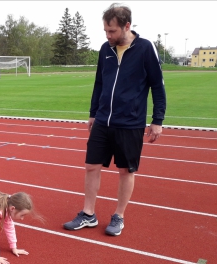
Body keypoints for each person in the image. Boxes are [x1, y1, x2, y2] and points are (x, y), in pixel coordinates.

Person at [63, 3, 166, 236]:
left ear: (126, 26)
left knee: (126, 171)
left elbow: (157, 87)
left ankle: (118, 216)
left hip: (130, 122)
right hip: (102, 120)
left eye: (112, 31)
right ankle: (88, 214)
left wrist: (157, 120)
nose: (108, 36)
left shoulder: (145, 48)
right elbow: (99, 82)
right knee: (91, 166)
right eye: (105, 31)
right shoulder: (105, 49)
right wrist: (92, 113)